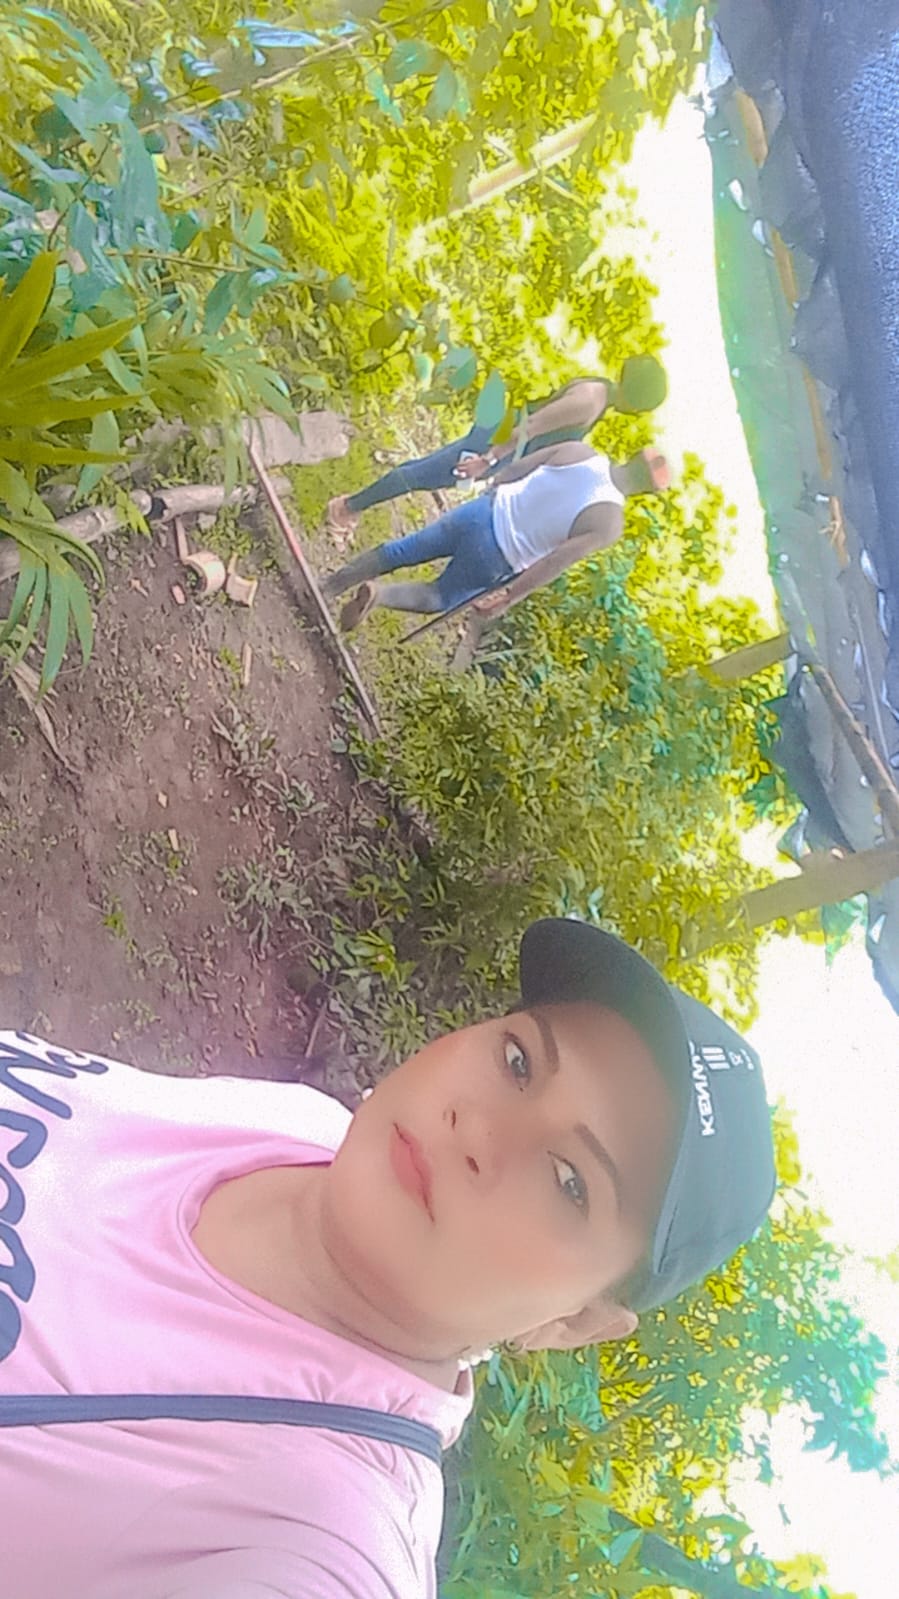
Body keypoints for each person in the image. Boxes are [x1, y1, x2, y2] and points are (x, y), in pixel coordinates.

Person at [0, 918, 776, 1598]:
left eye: (568, 1181)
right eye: (518, 1061)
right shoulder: (300, 1128)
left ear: (573, 1322)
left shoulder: (325, 1532)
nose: (480, 1129)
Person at [321, 439, 670, 631]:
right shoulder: (609, 522)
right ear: (646, 492)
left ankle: (329, 587)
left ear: (632, 455)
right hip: (500, 555)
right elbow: (554, 562)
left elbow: (518, 467)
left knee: (403, 550)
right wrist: (510, 596)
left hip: (484, 511)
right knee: (440, 596)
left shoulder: (580, 451)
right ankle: (380, 595)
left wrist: (492, 487)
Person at [325, 353, 668, 540]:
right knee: (425, 475)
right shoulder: (589, 403)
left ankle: (352, 506)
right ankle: (347, 507)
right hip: (500, 443)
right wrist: (488, 459)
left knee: (427, 471)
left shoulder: (599, 390)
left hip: (500, 437)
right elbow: (532, 426)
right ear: (636, 402)